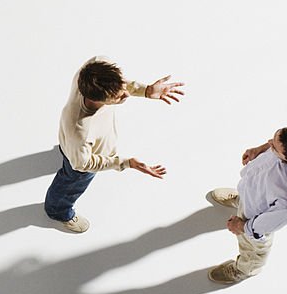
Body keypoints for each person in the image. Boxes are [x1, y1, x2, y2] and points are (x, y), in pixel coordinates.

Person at [43, 56, 185, 233]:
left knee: (73, 151)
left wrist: (146, 90)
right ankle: (58, 211)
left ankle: (68, 151)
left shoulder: (93, 67)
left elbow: (122, 84)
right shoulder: (80, 129)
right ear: (98, 100)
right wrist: (124, 163)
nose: (126, 94)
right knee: (72, 181)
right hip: (80, 159)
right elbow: (82, 163)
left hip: (75, 146)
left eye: (123, 89)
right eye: (118, 98)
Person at [206, 122, 287, 283]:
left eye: (274, 148)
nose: (270, 144)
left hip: (254, 218)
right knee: (249, 196)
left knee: (253, 249)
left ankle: (246, 269)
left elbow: (265, 225)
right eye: (274, 137)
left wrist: (242, 226)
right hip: (253, 193)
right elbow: (275, 143)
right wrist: (260, 149)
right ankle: (241, 199)